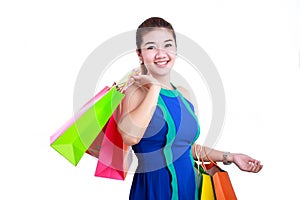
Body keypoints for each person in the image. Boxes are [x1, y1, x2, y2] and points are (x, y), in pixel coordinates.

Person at [117, 17, 263, 200]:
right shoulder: (134, 92)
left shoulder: (183, 95)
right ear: (139, 54)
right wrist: (154, 87)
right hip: (155, 189)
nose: (161, 53)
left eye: (168, 45)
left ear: (176, 50)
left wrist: (230, 157)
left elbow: (186, 147)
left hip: (190, 187)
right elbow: (130, 136)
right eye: (151, 47)